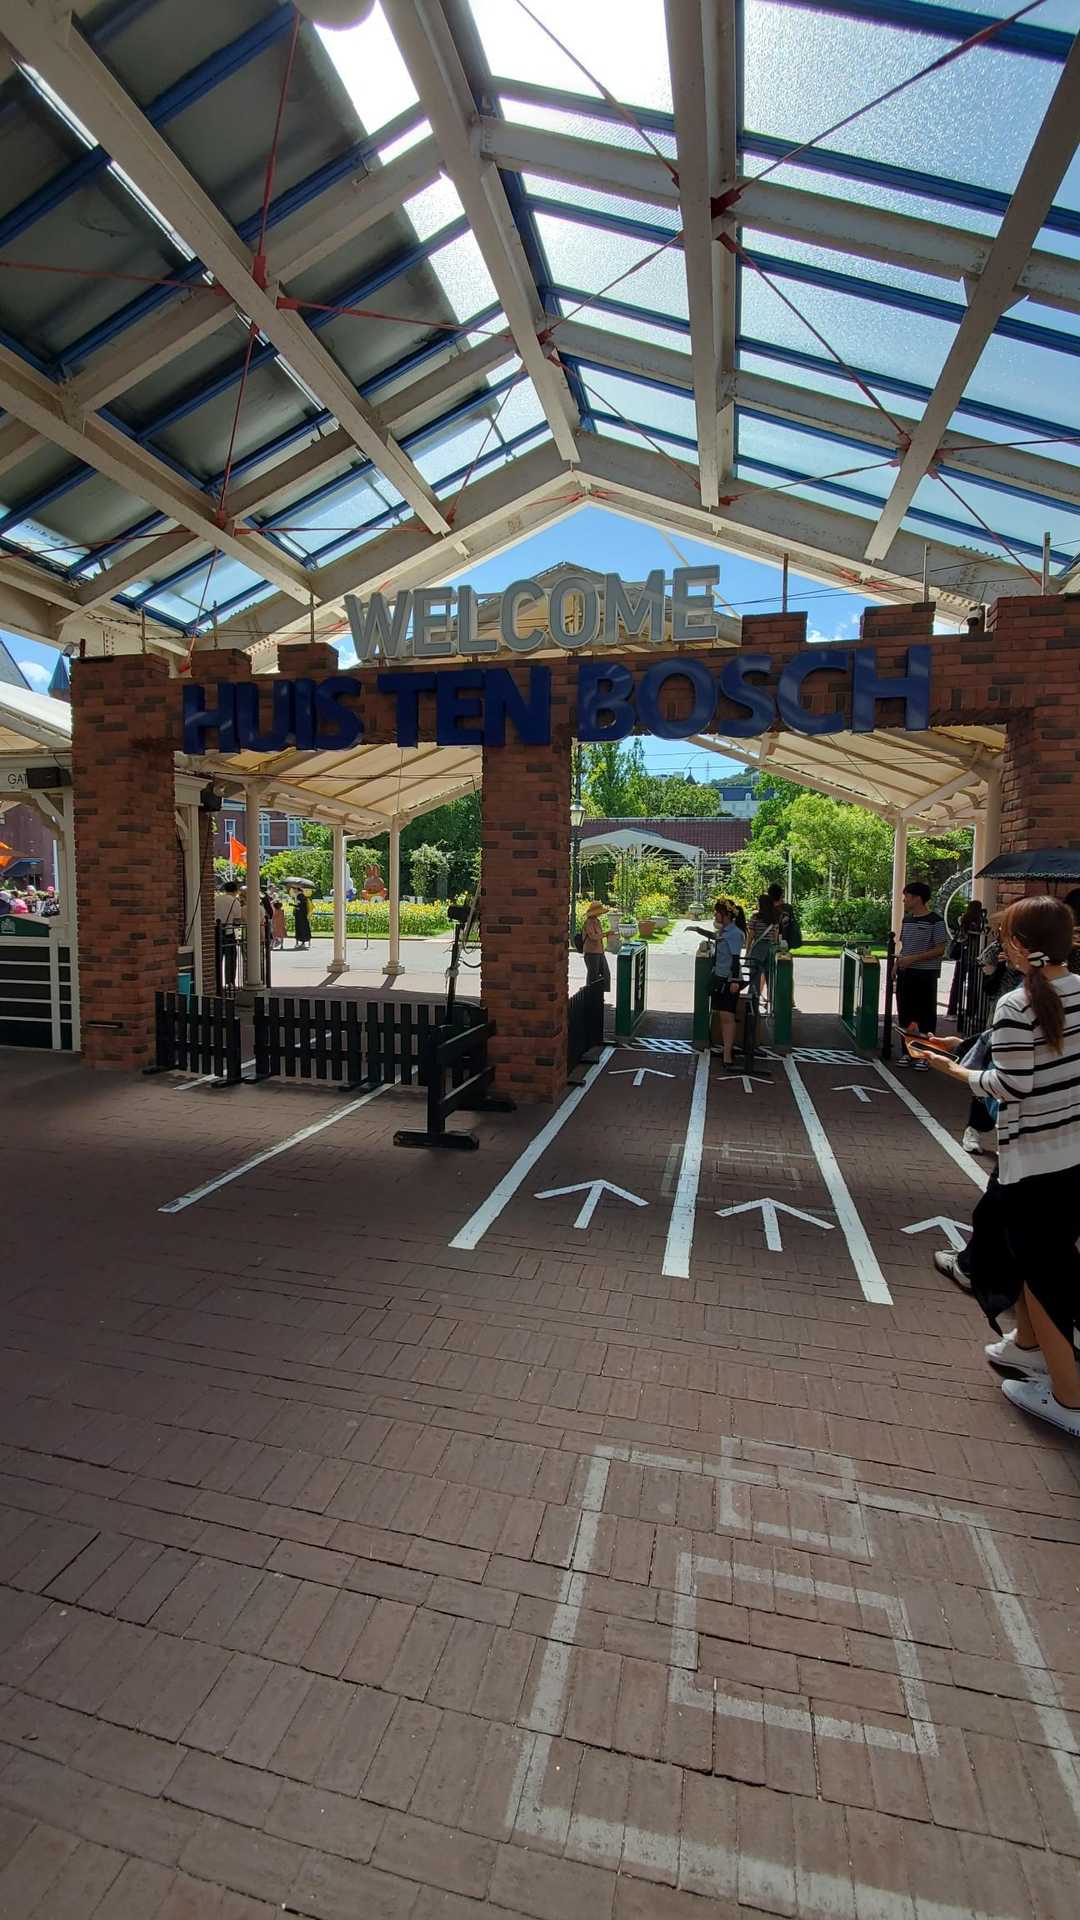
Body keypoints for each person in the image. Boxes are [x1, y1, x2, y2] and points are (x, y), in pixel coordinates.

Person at [911, 897, 1080, 1438]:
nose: (998, 946)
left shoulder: (1016, 1003)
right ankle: (1027, 1347)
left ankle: (1069, 1398)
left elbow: (1011, 1084)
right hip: (1070, 1156)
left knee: (1046, 1277)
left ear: (1020, 945)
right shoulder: (1072, 991)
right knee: (1028, 1259)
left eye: (1004, 937)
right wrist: (967, 1047)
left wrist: (952, 1070)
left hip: (1034, 1161)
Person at [893, 880, 947, 1068]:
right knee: (905, 1014)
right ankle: (907, 1051)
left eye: (906, 896)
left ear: (917, 898)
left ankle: (925, 1054)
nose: (904, 900)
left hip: (926, 974)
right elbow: (905, 946)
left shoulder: (936, 921)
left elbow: (940, 949)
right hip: (906, 973)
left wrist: (914, 959)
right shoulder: (907, 920)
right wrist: (897, 964)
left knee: (925, 1015)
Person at [708, 898, 745, 1069]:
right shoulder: (724, 931)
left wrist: (735, 981)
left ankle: (727, 1055)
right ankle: (725, 1049)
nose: (715, 915)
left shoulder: (735, 934)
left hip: (729, 980)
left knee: (727, 1017)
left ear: (727, 915)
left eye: (718, 912)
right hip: (720, 977)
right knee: (723, 1016)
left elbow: (736, 959)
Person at [214, 878, 242, 988]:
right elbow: (237, 920)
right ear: (236, 890)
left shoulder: (216, 899)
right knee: (231, 959)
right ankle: (230, 982)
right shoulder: (235, 902)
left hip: (215, 931)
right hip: (229, 933)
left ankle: (216, 982)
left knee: (217, 958)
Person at [581, 901, 611, 994]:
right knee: (593, 976)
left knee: (606, 973)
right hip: (591, 952)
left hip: (599, 952)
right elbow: (593, 936)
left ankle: (598, 993)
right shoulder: (589, 922)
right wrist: (605, 934)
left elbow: (599, 936)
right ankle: (590, 995)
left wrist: (607, 935)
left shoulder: (597, 921)